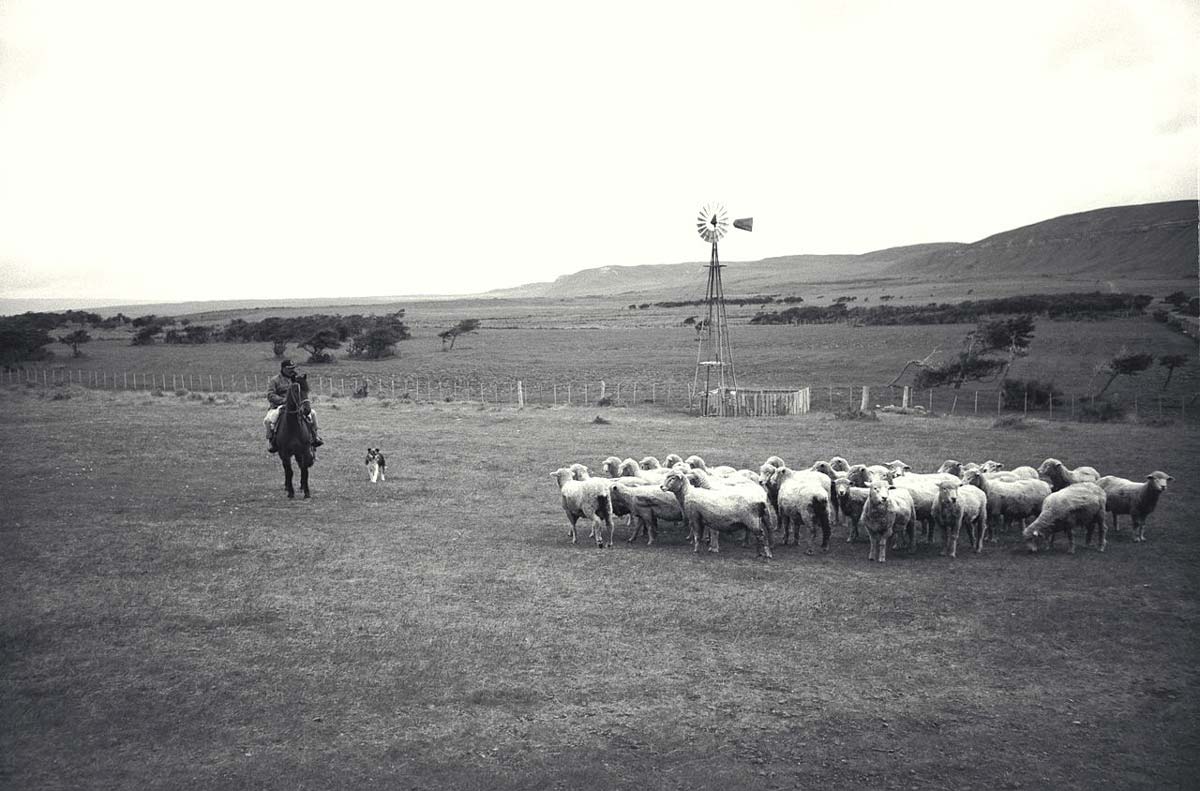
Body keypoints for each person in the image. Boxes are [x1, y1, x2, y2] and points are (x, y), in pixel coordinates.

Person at [264, 359, 324, 453]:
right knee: (268, 420)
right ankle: (271, 441)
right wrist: (283, 400)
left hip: (296, 406)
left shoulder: (297, 379)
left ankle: (315, 436)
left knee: (313, 413)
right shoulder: (275, 380)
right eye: (289, 368)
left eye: (293, 368)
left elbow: (303, 391)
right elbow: (270, 395)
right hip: (279, 406)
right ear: (283, 368)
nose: (292, 370)